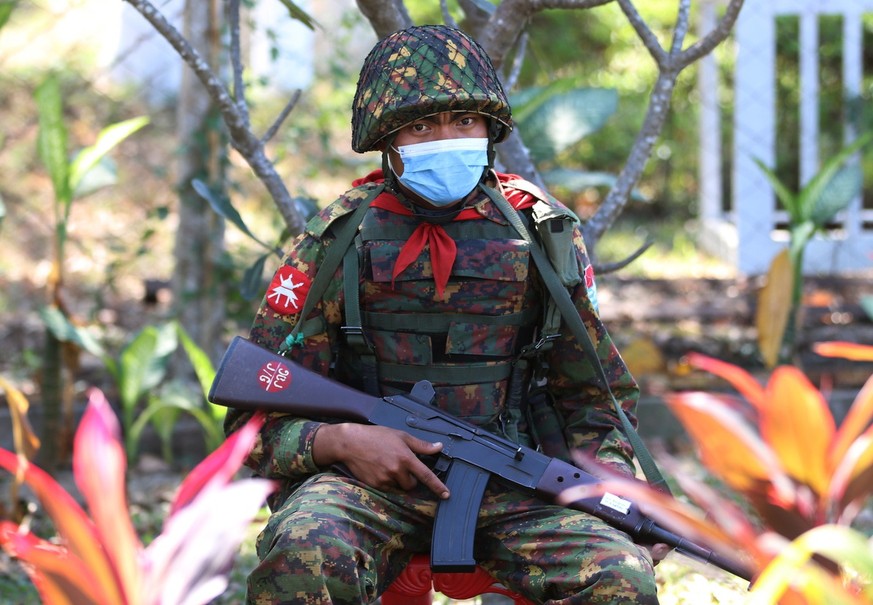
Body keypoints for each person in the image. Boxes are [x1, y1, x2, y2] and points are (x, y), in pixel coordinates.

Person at [225, 24, 661, 605]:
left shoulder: (540, 233)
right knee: (305, 551)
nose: (445, 139)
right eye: (421, 126)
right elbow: (253, 421)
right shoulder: (339, 238)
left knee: (619, 576)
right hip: (369, 484)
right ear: (388, 140)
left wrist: (614, 483)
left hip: (517, 480)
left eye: (464, 122)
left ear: (489, 130)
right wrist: (342, 441)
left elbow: (595, 398)